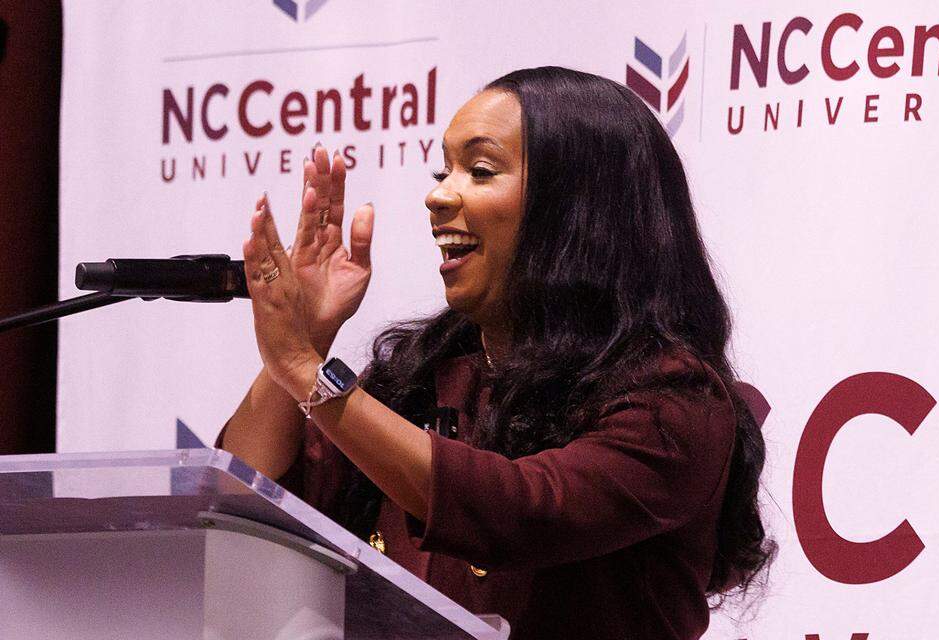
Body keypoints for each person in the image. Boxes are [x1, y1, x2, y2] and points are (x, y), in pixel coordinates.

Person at [219, 66, 772, 640]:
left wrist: (308, 372)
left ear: (575, 208)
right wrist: (304, 343)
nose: (438, 196)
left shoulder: (672, 400)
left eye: (480, 171)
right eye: (443, 171)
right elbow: (245, 493)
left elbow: (517, 516)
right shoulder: (420, 379)